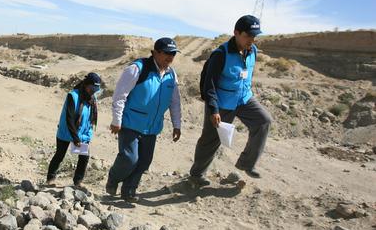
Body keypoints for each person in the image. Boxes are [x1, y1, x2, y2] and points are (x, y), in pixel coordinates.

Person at [189, 15, 272, 187]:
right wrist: (214, 110)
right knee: (210, 140)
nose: (252, 39)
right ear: (236, 33)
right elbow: (209, 84)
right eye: (248, 35)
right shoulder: (221, 54)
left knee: (263, 121)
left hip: (244, 99)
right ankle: (196, 175)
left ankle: (246, 163)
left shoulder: (253, 51)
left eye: (255, 36)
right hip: (222, 103)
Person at [106, 37, 182, 202]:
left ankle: (129, 191)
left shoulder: (171, 74)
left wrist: (177, 124)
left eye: (173, 54)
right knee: (129, 158)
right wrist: (116, 120)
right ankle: (113, 177)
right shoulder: (137, 69)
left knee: (144, 162)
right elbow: (120, 95)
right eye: (167, 53)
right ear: (155, 52)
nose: (170, 57)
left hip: (152, 127)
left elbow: (175, 102)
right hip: (131, 123)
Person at [46, 72, 102, 187]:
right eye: (92, 88)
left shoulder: (92, 98)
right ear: (86, 85)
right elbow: (69, 118)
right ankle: (50, 179)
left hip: (81, 134)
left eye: (96, 89)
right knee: (60, 155)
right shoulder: (73, 96)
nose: (93, 91)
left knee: (84, 157)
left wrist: (86, 135)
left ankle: (77, 182)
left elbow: (89, 119)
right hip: (66, 132)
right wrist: (75, 138)